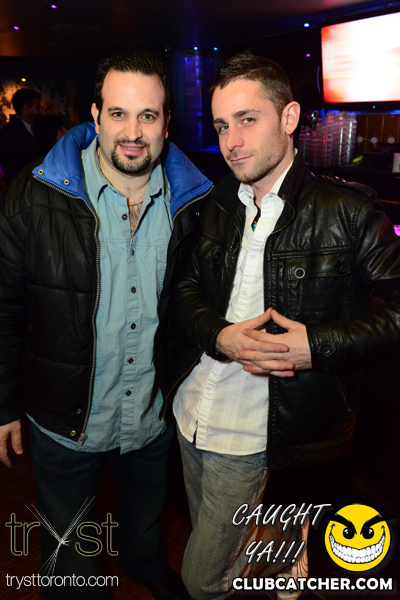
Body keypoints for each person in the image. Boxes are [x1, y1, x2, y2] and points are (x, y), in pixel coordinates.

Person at [156, 51, 400, 600]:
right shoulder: (219, 199)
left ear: (289, 118)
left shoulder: (347, 211)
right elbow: (185, 290)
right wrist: (219, 335)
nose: (231, 141)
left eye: (247, 119)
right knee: (241, 551)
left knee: (202, 580)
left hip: (259, 430)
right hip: (193, 410)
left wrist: (319, 345)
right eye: (222, 125)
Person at [0, 50, 212, 600]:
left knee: (145, 517)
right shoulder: (32, 195)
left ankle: (145, 565)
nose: (133, 132)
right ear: (95, 116)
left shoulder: (196, 201)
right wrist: (3, 405)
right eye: (118, 113)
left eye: (148, 115)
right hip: (64, 418)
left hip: (151, 414)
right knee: (71, 555)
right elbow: (4, 307)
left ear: (167, 121)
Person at [0, 87, 42, 184]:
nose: (40, 111)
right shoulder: (9, 133)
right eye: (37, 107)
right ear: (26, 108)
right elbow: (10, 168)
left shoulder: (39, 128)